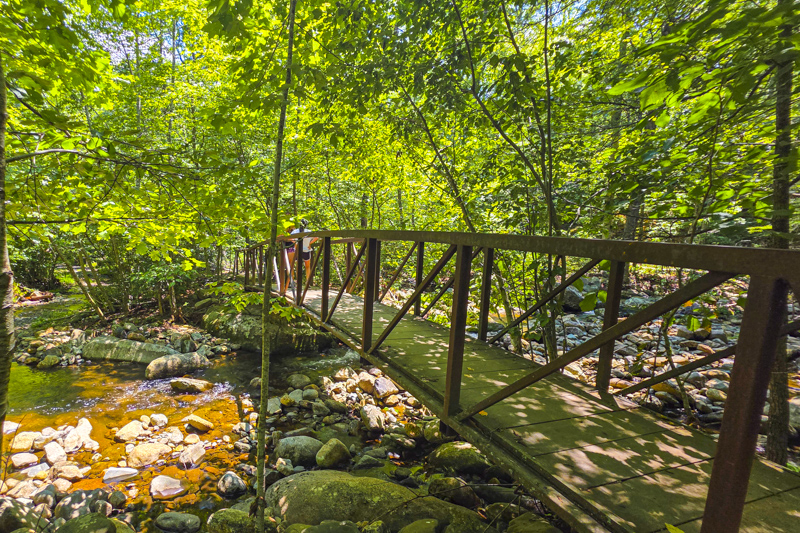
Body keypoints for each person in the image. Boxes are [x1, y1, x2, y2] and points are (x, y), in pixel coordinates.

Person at [292, 219, 318, 284]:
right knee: (307, 266)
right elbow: (316, 237)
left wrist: (295, 243)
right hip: (306, 249)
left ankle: (299, 281)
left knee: (298, 265)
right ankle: (307, 281)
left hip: (298, 250)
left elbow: (290, 238)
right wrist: (310, 243)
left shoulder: (295, 231)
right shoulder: (309, 231)